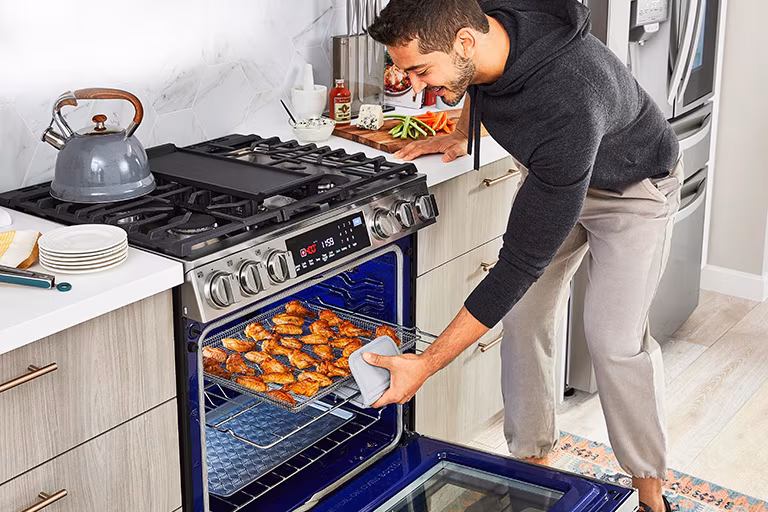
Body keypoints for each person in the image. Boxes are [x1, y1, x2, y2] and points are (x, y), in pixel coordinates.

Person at [366, 1, 682, 512]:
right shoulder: (485, 26)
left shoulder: (567, 98)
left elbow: (517, 266)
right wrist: (457, 131)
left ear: (464, 42)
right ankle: (532, 471)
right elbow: (477, 81)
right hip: (554, 177)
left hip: (632, 189)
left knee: (612, 340)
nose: (417, 86)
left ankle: (650, 493)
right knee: (525, 315)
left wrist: (426, 363)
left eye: (421, 70)